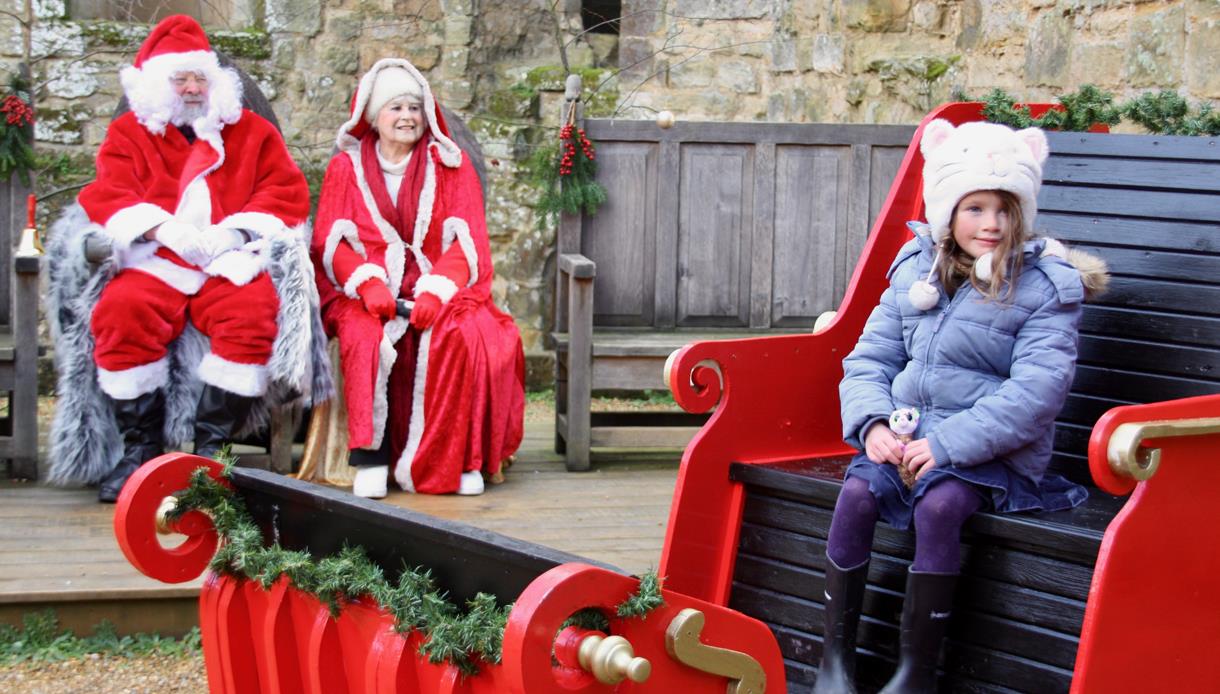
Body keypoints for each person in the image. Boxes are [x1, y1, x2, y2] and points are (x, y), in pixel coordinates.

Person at [813, 119, 1108, 693]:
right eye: (975, 208)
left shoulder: (1044, 288)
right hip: (904, 436)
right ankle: (834, 664)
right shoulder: (912, 271)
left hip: (989, 450)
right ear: (948, 210)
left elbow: (1036, 393)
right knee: (855, 493)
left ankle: (915, 674)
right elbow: (869, 357)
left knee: (941, 506)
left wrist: (947, 444)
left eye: (1004, 209)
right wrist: (873, 423)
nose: (991, 224)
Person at [66, 15, 313, 502]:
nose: (193, 87)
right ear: (160, 83)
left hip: (228, 259)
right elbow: (109, 193)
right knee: (122, 311)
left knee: (253, 311)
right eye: (182, 78)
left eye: (201, 77)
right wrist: (162, 228)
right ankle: (142, 452)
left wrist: (237, 230)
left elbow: (284, 191)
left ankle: (211, 453)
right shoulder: (129, 134)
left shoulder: (252, 131)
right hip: (158, 257)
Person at [312, 59, 525, 499]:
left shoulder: (451, 165)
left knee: (462, 334)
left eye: (414, 107)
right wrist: (367, 283)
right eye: (396, 108)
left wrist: (435, 289)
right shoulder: (344, 169)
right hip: (362, 290)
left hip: (437, 285)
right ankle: (370, 458)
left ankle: (457, 462)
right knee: (362, 333)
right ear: (374, 116)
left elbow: (466, 241)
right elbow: (331, 242)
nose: (407, 117)